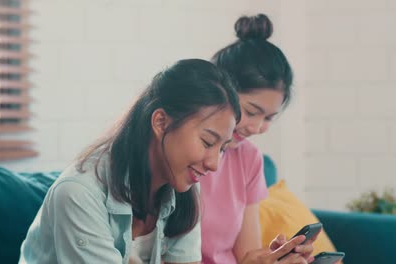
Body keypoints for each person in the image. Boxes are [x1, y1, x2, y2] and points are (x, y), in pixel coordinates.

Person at [19, 59, 242, 264]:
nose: (214, 164)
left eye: (222, 148)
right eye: (207, 141)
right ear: (161, 122)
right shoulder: (78, 193)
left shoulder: (184, 182)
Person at [200, 14, 318, 264]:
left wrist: (273, 258)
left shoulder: (249, 158)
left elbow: (246, 256)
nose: (257, 127)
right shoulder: (184, 153)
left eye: (268, 118)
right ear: (218, 90)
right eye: (252, 112)